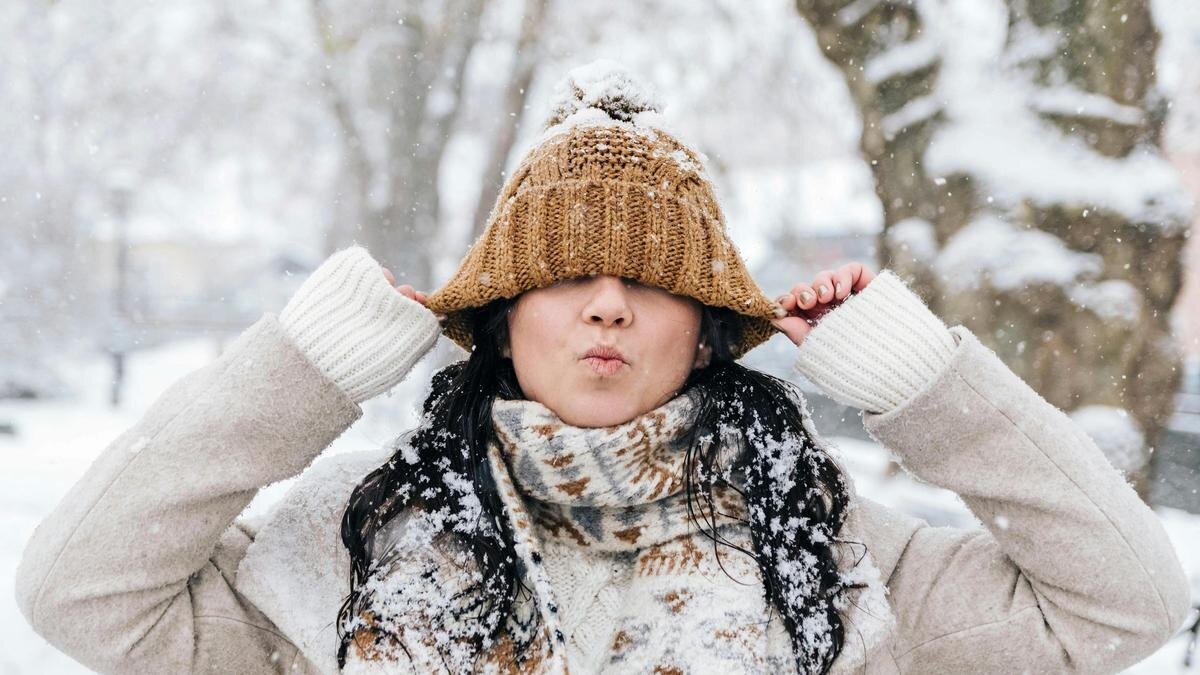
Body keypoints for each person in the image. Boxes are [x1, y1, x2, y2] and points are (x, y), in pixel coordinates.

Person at [14, 60, 1190, 675]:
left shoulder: (829, 556)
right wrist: (306, 370)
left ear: (712, 325)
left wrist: (927, 382)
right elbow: (81, 592)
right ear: (499, 317)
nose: (610, 305)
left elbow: (1127, 604)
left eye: (654, 278)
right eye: (565, 274)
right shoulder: (344, 554)